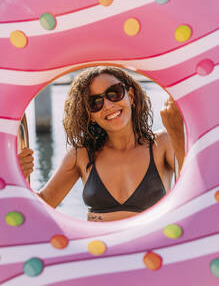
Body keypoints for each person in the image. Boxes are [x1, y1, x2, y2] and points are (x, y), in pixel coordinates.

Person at [18, 66, 185, 222]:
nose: (108, 105)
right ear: (90, 114)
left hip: (152, 250)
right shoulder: (81, 155)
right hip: (97, 252)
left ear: (131, 96)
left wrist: (177, 133)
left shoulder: (161, 144)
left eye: (114, 93)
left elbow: (195, 186)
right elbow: (43, 204)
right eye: (95, 102)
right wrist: (16, 176)